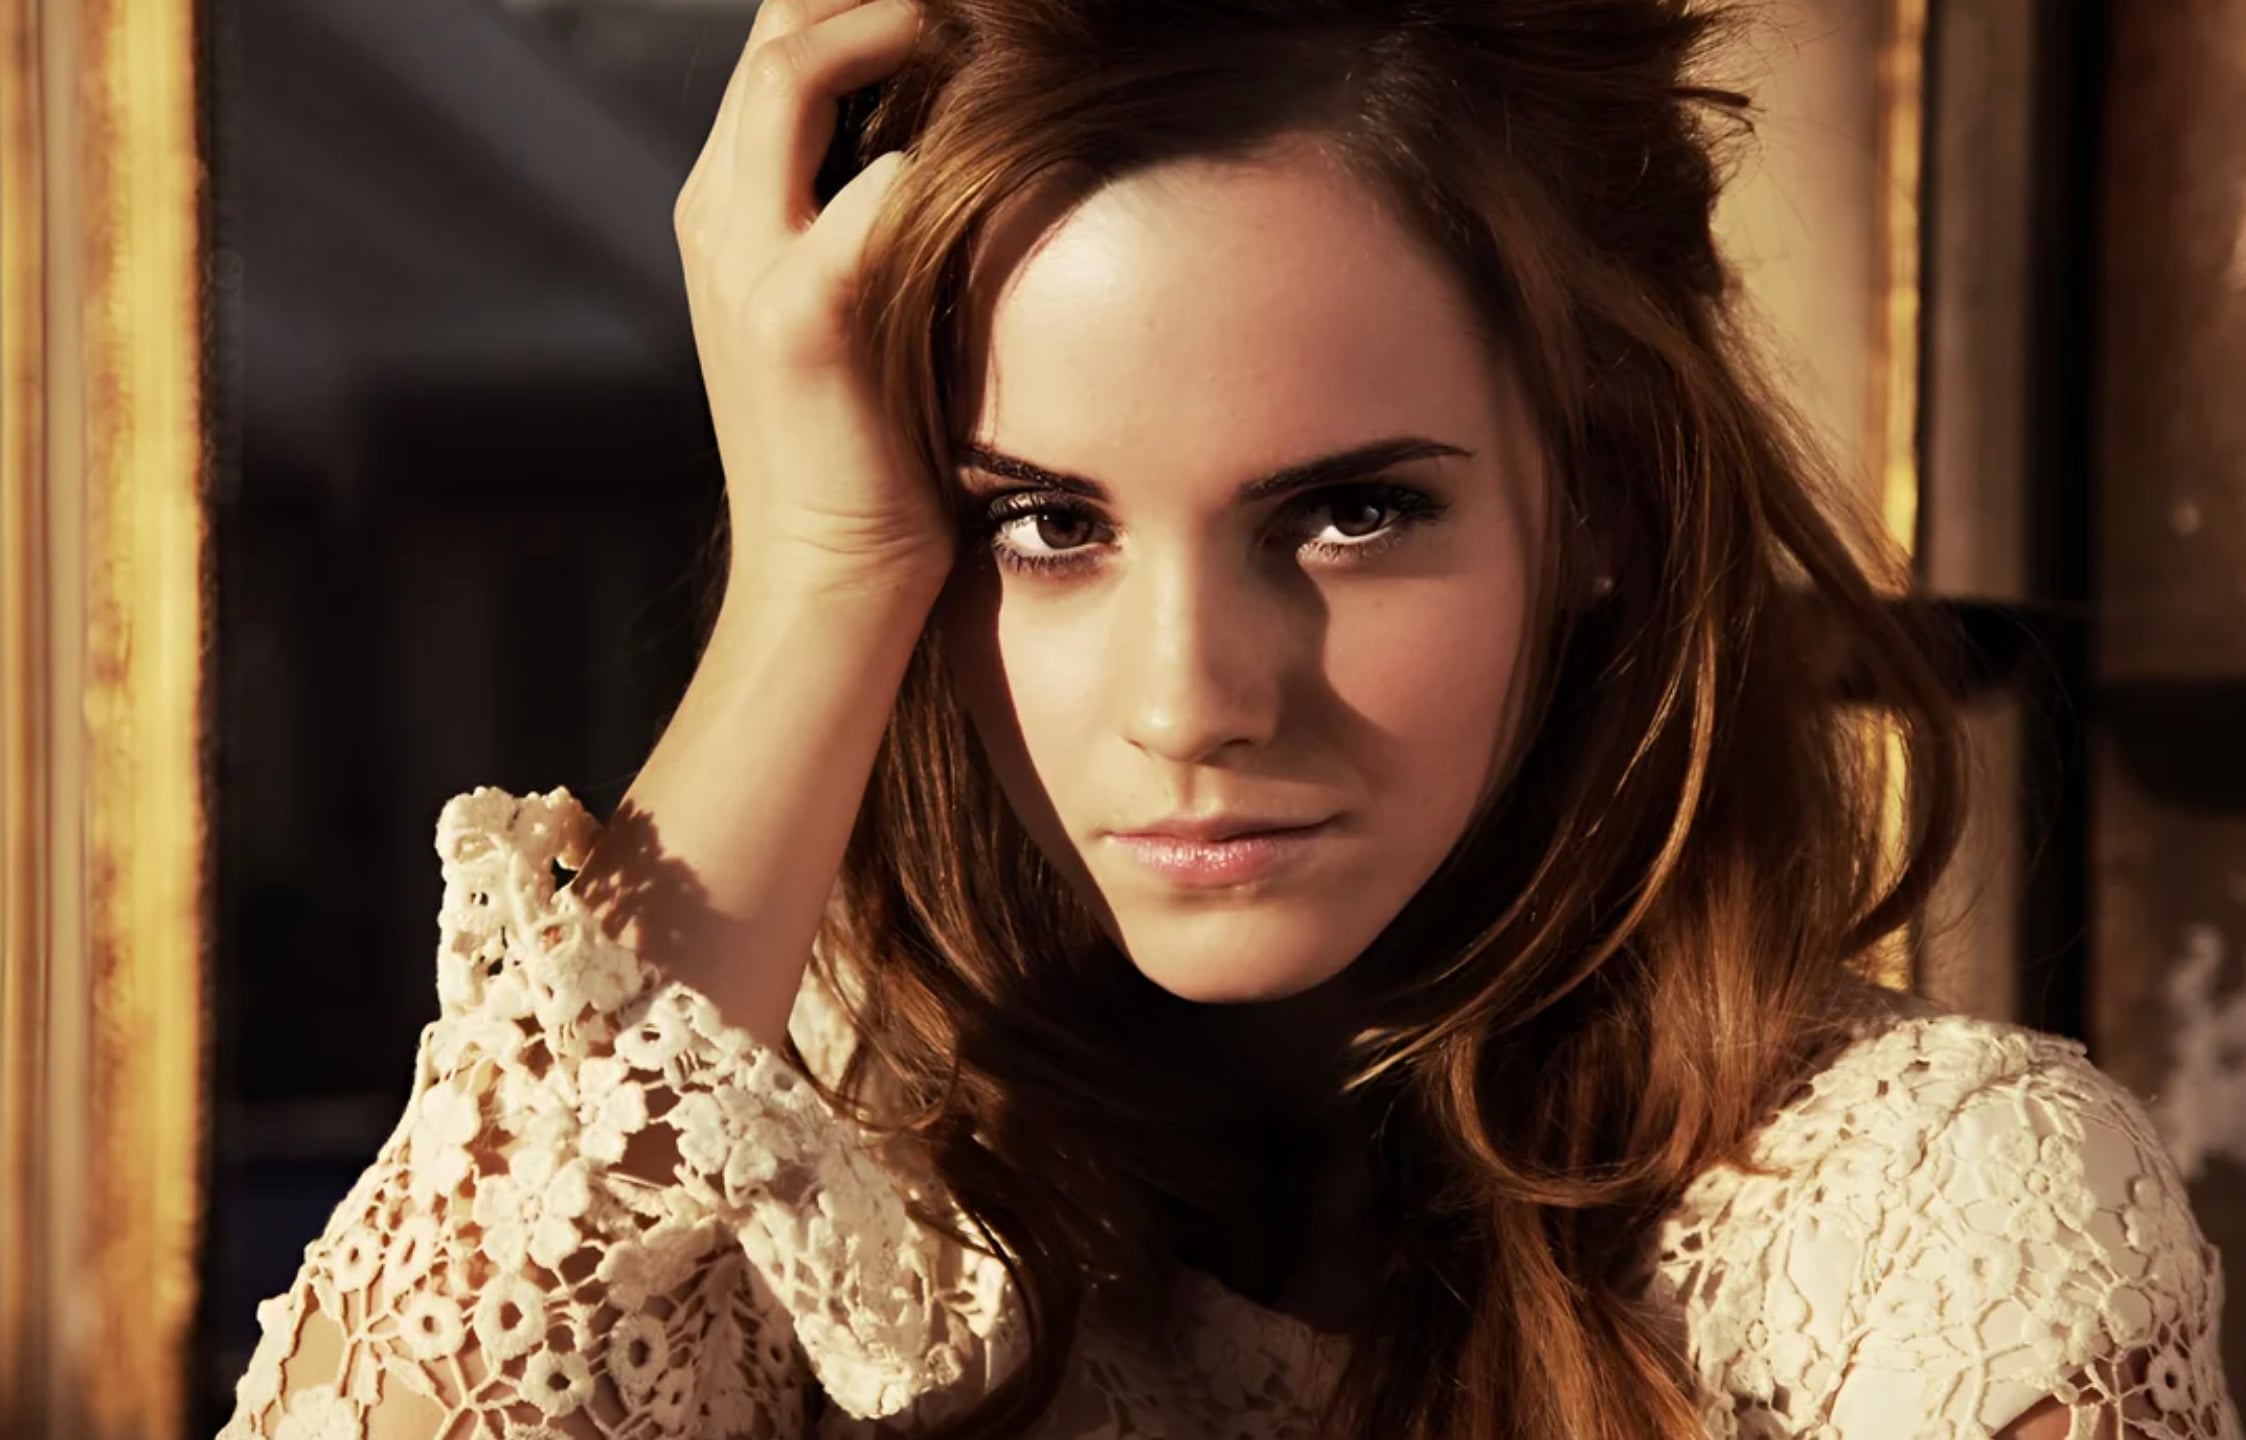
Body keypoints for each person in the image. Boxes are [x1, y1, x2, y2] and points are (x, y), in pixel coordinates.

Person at [219, 0, 2242, 1436]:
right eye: (1046, 522)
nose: (1195, 699)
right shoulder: (787, 1152)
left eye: (1352, 512)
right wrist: (822, 563)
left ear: (1604, 504)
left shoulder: (1940, 1222)